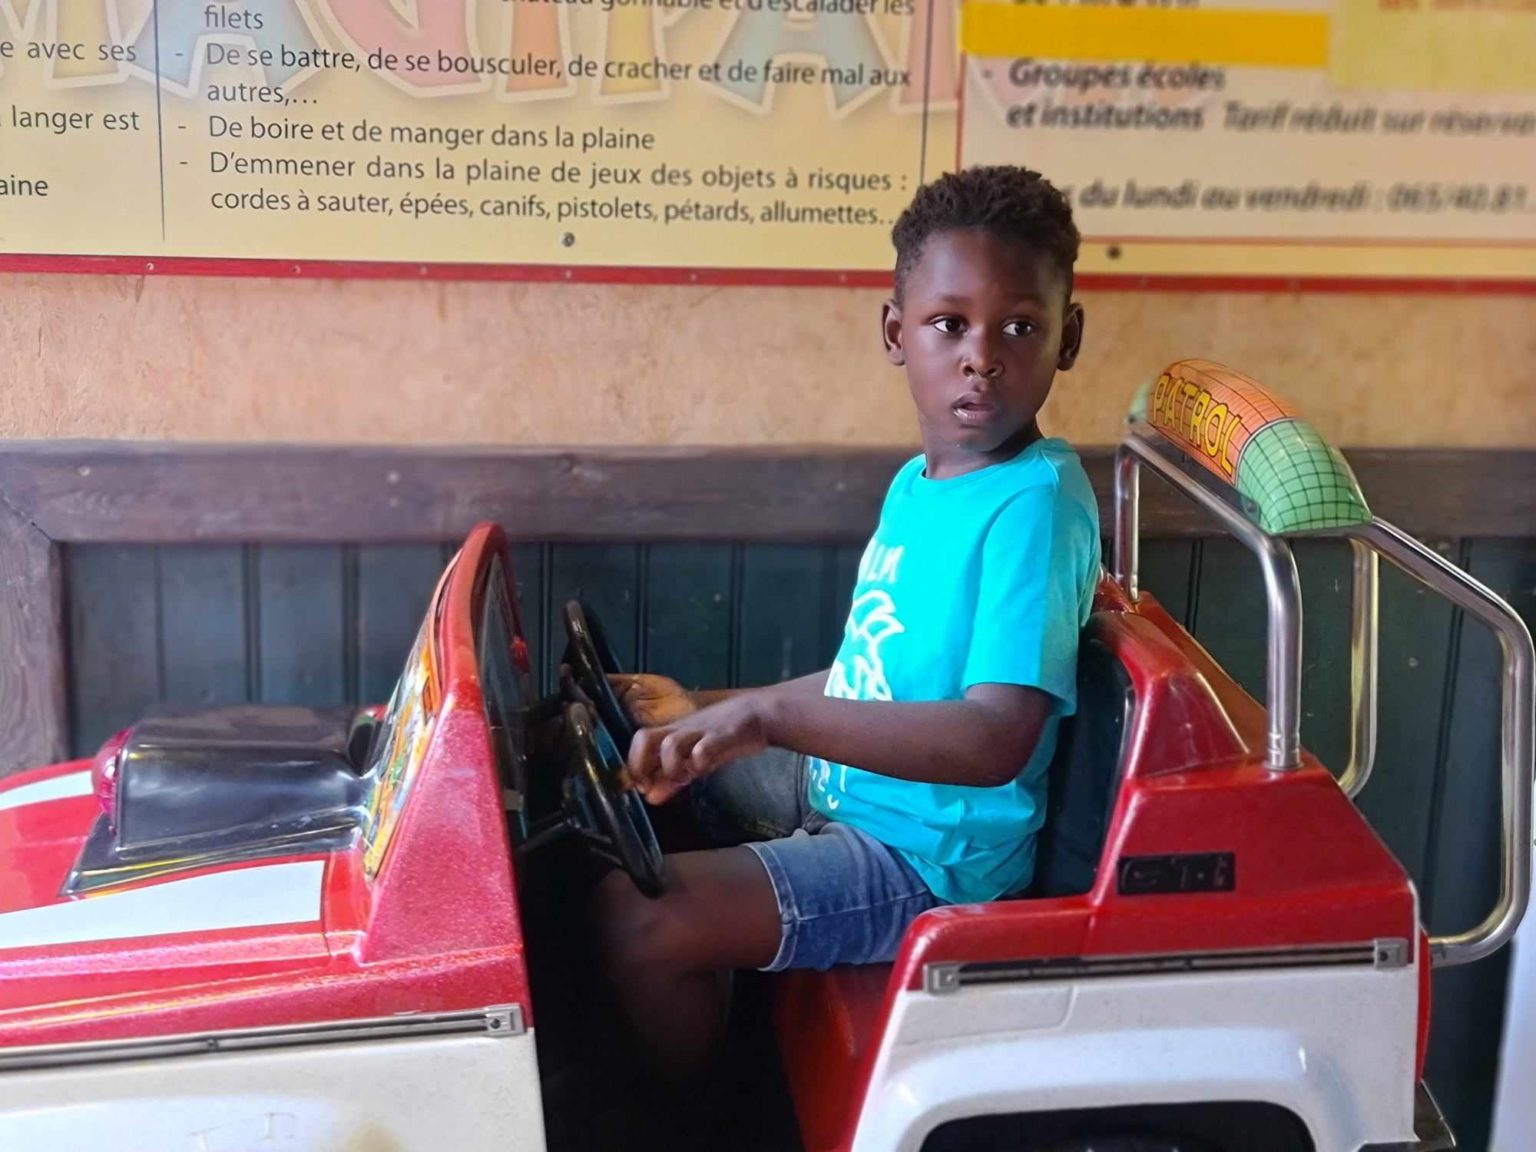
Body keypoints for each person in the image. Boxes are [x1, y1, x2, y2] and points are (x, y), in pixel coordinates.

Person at [594, 164, 1102, 1090]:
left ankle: (708, 1115)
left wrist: (764, 721)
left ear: (1066, 338)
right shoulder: (922, 485)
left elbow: (995, 738)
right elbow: (872, 677)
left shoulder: (1034, 507)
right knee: (665, 804)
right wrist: (709, 707)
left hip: (926, 862)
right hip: (853, 800)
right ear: (896, 332)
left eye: (1019, 327)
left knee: (636, 923)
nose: (981, 356)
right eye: (949, 324)